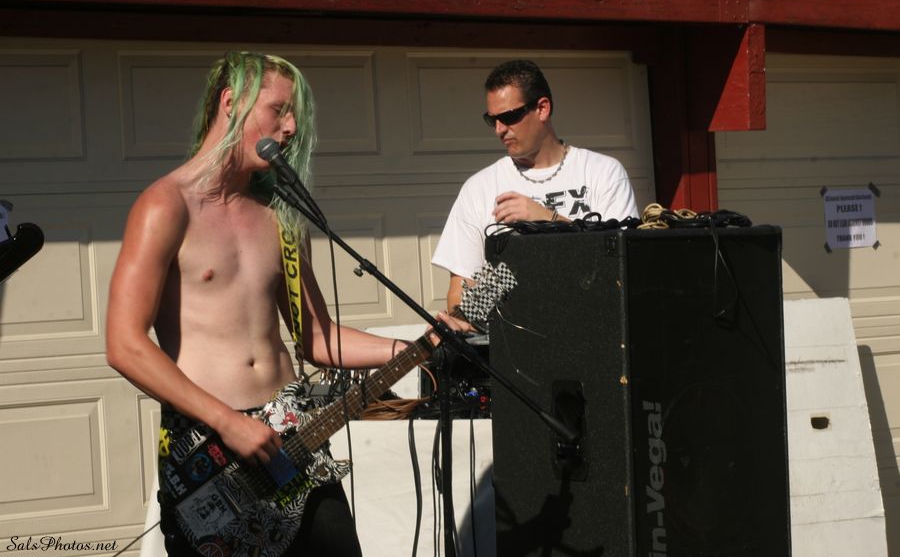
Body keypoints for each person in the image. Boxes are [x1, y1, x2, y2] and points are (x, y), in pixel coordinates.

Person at [106, 51, 461, 557]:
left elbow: (317, 337)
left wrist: (415, 348)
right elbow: (123, 344)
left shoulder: (279, 216)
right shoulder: (166, 205)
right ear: (231, 102)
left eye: (295, 116)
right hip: (208, 446)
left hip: (293, 436)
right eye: (278, 110)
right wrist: (227, 421)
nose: (291, 127)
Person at [432, 59, 639, 312]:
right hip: (516, 334)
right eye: (492, 119)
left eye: (509, 117)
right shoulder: (479, 188)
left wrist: (547, 219)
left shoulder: (603, 172)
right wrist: (463, 318)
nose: (499, 129)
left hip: (592, 326)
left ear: (542, 108)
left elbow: (621, 268)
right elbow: (461, 296)